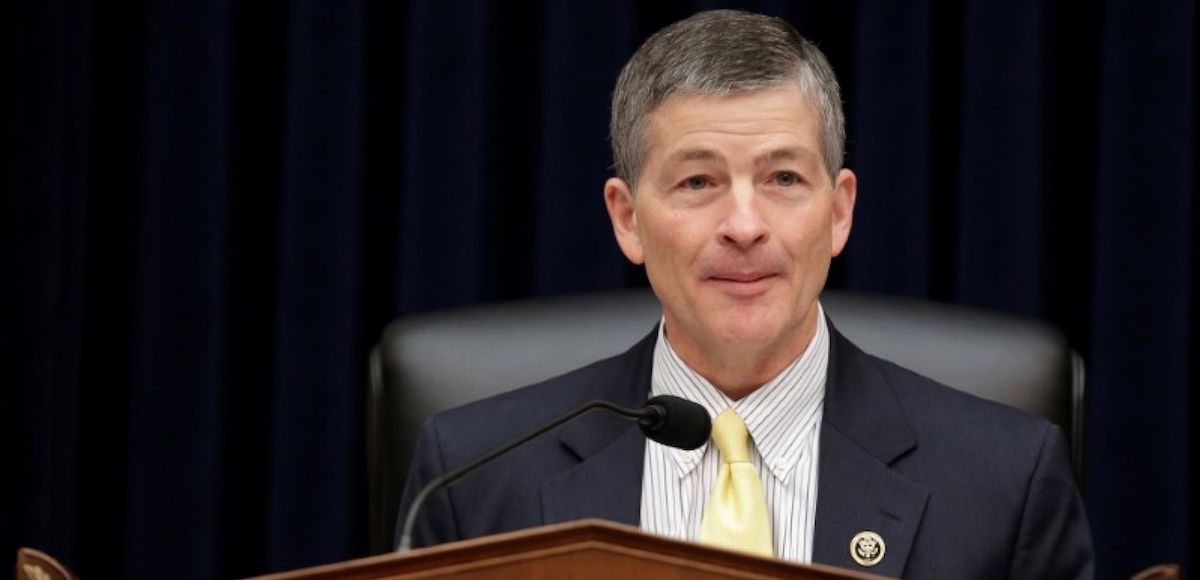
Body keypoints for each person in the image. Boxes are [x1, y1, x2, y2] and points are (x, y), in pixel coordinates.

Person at [397, 9, 1093, 578]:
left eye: (783, 178)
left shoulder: (1006, 481)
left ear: (840, 209)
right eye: (697, 182)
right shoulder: (473, 477)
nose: (743, 226)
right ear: (628, 219)